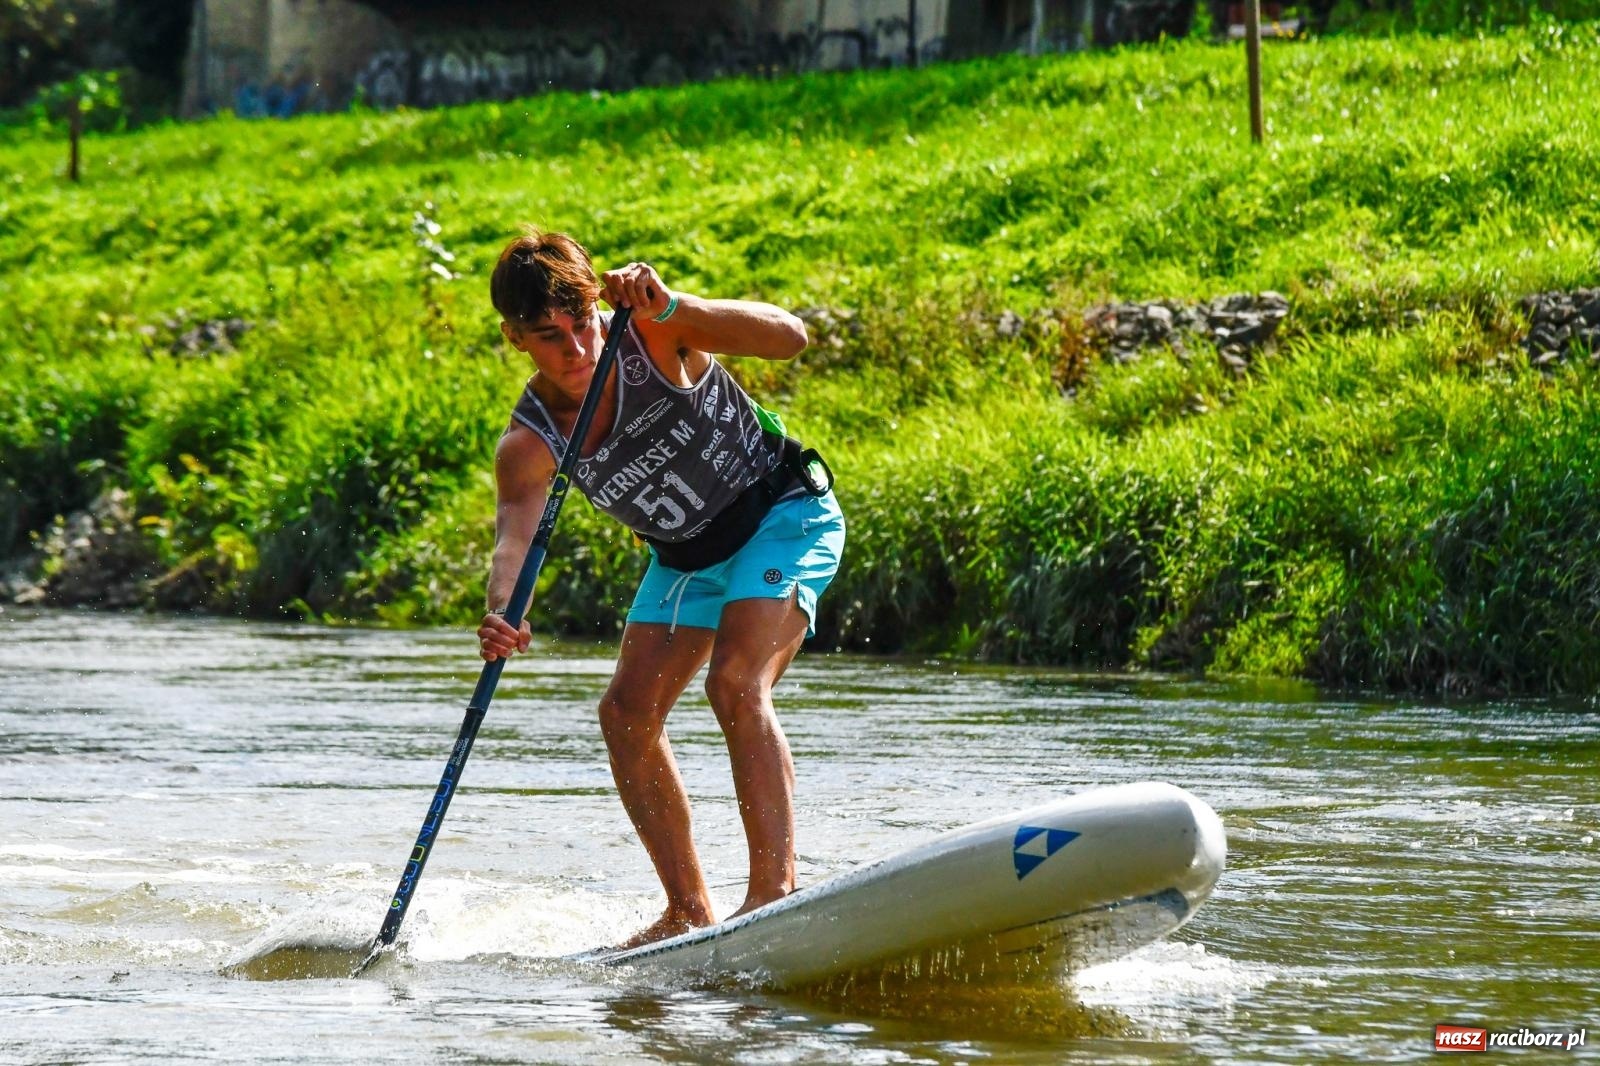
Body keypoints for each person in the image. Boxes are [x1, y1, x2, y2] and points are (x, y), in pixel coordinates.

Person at [475, 229, 846, 948]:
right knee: (625, 714)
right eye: (550, 337)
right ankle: (689, 909)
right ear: (514, 337)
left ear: (595, 307)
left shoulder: (649, 326)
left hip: (779, 514)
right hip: (684, 559)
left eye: (582, 323)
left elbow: (791, 338)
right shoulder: (528, 443)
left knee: (735, 682)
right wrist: (501, 612)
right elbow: (513, 541)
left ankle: (772, 894)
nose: (577, 351)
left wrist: (678, 302)